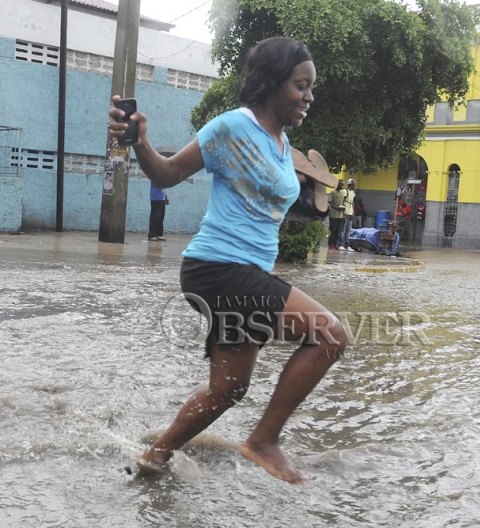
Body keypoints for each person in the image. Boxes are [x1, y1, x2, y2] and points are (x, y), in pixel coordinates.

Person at [109, 36, 346, 485]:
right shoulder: (232, 127)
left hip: (245, 272)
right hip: (219, 268)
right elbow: (169, 173)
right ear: (274, 83)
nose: (309, 96)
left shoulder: (280, 143)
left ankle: (153, 457)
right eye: (301, 85)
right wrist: (140, 141)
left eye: (311, 87)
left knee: (228, 389)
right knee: (330, 335)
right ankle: (264, 441)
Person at [327, 179, 346, 250]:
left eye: (343, 185)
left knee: (338, 230)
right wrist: (337, 208)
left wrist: (343, 210)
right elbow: (330, 202)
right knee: (333, 230)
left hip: (340, 215)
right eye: (341, 185)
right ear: (337, 184)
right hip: (333, 215)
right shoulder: (333, 192)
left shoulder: (342, 193)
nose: (342, 186)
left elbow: (343, 202)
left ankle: (335, 244)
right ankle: (331, 244)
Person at [339, 178, 356, 251]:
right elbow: (342, 202)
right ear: (351, 184)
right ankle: (341, 244)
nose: (355, 185)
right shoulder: (345, 192)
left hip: (350, 213)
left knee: (348, 230)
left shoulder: (353, 192)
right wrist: (342, 214)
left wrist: (353, 212)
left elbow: (352, 203)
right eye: (354, 184)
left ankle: (347, 245)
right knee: (342, 230)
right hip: (345, 213)